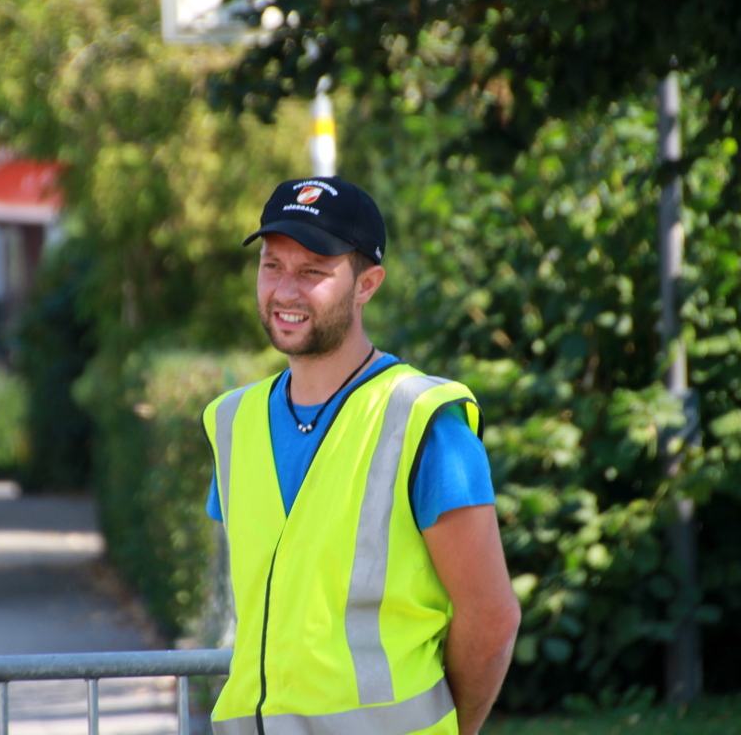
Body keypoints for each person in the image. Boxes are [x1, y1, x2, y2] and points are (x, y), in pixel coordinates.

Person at [202, 177, 521, 735]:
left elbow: (491, 618)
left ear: (366, 284)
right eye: (272, 266)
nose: (285, 291)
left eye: (312, 272)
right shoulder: (232, 421)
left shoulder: (423, 420)